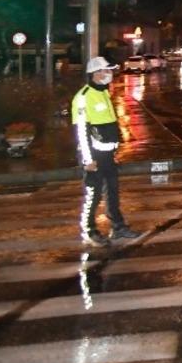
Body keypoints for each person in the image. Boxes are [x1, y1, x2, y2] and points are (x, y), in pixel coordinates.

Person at [73, 57, 141, 246]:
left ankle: (118, 227)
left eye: (109, 71)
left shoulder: (103, 93)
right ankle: (89, 231)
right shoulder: (84, 97)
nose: (109, 74)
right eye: (105, 71)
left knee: (112, 191)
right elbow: (81, 131)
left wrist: (114, 151)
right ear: (95, 73)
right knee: (93, 194)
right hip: (93, 156)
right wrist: (88, 160)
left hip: (107, 155)